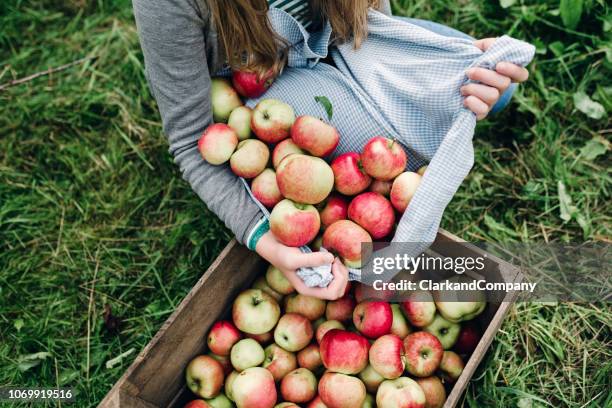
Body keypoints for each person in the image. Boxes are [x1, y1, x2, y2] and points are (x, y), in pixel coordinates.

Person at [133, 0, 529, 300]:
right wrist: (269, 244)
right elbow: (189, 141)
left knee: (493, 87)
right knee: (371, 176)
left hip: (337, 40)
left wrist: (436, 62)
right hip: (265, 88)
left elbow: (368, 20)